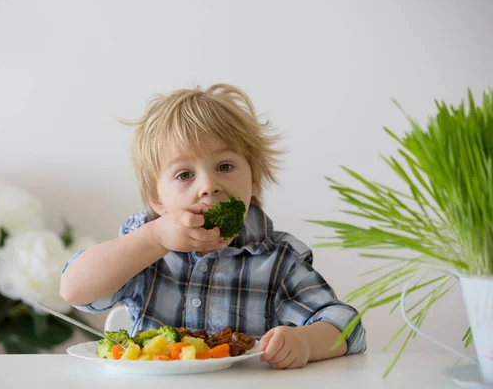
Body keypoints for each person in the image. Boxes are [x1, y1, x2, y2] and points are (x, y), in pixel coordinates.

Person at [60, 83, 366, 369]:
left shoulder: (277, 258)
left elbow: (349, 326)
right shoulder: (144, 246)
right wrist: (153, 238)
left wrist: (306, 342)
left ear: (254, 179)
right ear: (157, 198)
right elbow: (75, 291)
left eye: (224, 167)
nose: (209, 186)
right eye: (184, 175)